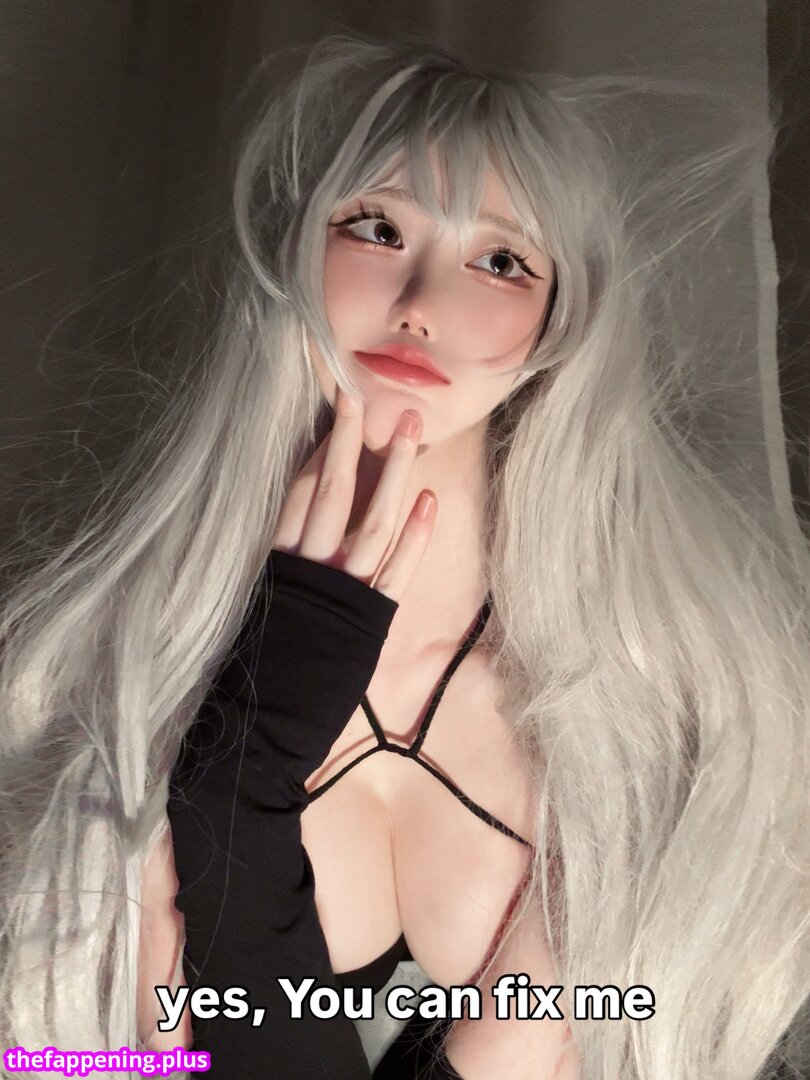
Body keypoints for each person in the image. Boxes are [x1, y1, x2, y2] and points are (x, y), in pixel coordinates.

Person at [0, 32, 808, 1080]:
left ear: (563, 319)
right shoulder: (126, 662)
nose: (422, 303)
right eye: (378, 228)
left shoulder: (653, 698)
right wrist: (240, 759)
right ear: (297, 253)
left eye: (501, 260)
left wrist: (232, 799)